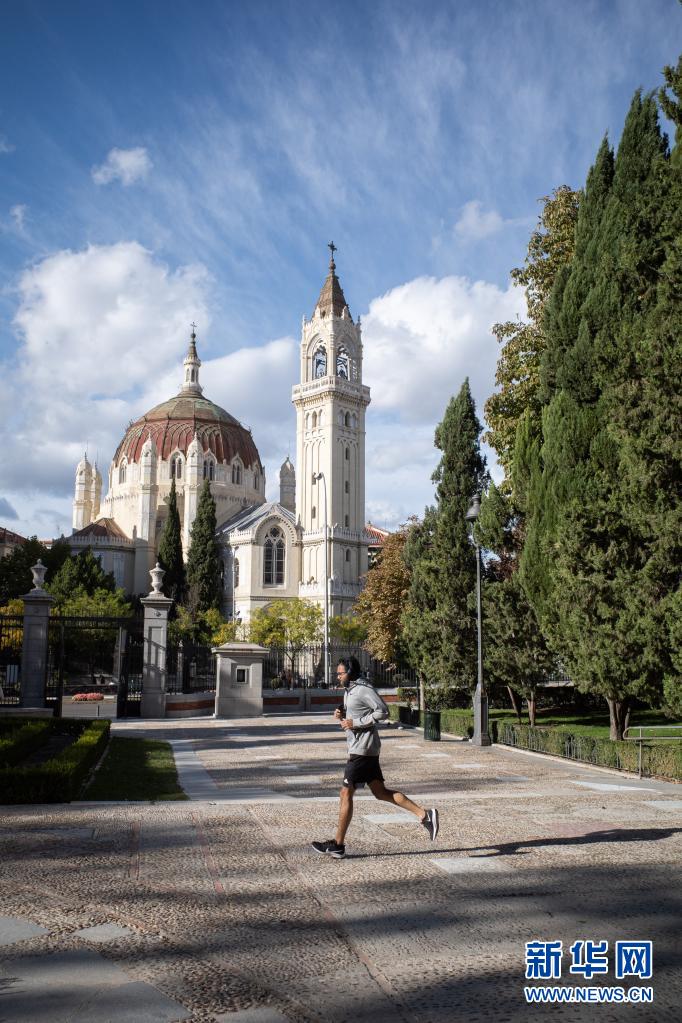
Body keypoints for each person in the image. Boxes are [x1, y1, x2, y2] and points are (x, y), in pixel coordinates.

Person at [312, 656, 439, 859]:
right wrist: (342, 715)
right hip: (362, 748)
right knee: (380, 792)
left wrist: (356, 722)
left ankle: (338, 844)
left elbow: (383, 712)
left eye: (340, 673)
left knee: (346, 793)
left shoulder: (363, 688)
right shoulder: (350, 690)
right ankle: (425, 815)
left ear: (350, 673)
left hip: (362, 750)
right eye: (337, 673)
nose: (337, 676)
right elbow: (354, 713)